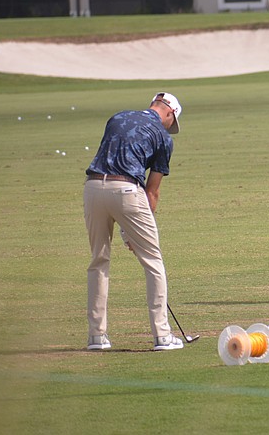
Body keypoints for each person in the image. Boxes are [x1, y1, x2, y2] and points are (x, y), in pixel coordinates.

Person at [83, 92, 185, 350]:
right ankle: (162, 336)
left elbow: (113, 156)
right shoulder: (162, 137)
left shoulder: (117, 117)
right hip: (128, 191)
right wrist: (134, 233)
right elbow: (152, 191)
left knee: (99, 261)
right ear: (169, 113)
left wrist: (129, 229)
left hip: (93, 188)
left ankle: (97, 336)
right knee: (152, 260)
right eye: (171, 123)